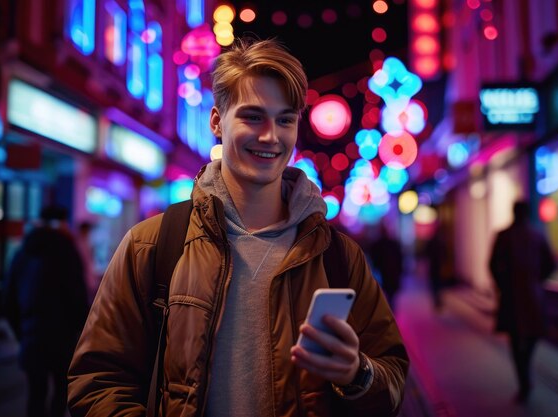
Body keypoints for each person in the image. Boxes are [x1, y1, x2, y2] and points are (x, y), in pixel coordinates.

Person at [68, 38, 409, 417]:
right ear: (217, 121)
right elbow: (96, 380)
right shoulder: (153, 245)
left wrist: (357, 375)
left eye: (285, 119)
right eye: (253, 116)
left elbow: (393, 377)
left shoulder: (336, 256)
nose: (271, 137)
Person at [3, 205, 89, 417]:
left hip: (31, 333)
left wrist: (21, 332)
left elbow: (9, 297)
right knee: (62, 389)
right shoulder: (67, 250)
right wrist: (81, 329)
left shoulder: (23, 252)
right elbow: (76, 294)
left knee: (35, 392)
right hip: (62, 335)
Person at [488, 201, 557, 403]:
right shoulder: (537, 235)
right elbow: (551, 263)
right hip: (533, 296)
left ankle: (524, 378)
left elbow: (492, 264)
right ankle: (525, 374)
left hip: (511, 297)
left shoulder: (504, 235)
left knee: (515, 339)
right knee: (533, 335)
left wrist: (502, 285)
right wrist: (537, 280)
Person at [369, 224, 403, 308]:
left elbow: (373, 258)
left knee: (384, 291)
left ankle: (386, 307)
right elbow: (399, 258)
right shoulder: (393, 243)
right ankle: (389, 307)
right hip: (391, 272)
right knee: (390, 292)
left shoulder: (377, 244)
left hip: (383, 271)